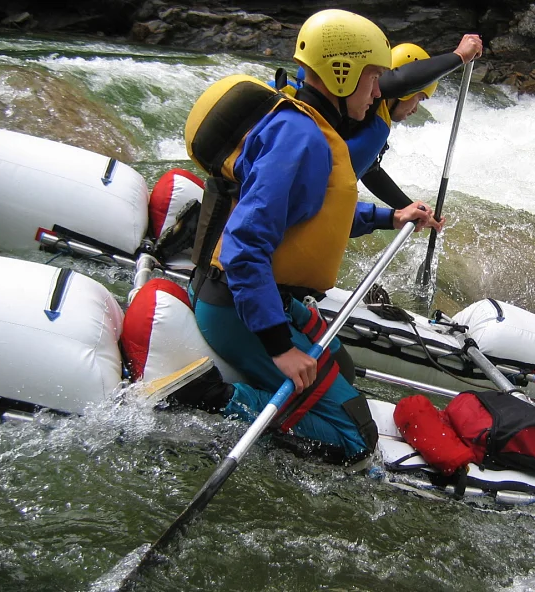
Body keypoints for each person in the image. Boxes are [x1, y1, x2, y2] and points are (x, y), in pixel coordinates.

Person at [185, 8, 442, 465]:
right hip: (240, 308)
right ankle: (213, 397)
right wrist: (279, 348)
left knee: (341, 366)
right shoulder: (300, 137)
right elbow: (244, 246)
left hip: (270, 300)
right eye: (373, 79)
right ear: (341, 76)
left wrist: (392, 216)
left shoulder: (306, 126)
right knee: (354, 440)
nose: (377, 92)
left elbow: (317, 213)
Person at [348, 36, 482, 209]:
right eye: (419, 98)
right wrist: (459, 56)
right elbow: (400, 81)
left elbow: (369, 170)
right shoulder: (358, 100)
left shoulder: (368, 116)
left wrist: (409, 208)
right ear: (407, 91)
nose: (415, 109)